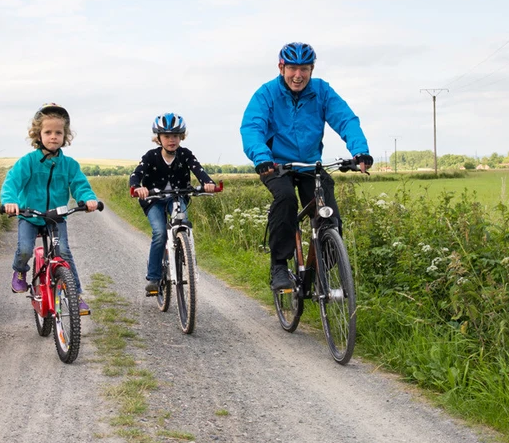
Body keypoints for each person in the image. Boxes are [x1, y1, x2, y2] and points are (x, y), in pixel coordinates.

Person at [240, 42, 373, 291]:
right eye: (292, 68)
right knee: (286, 199)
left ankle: (323, 263)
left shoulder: (321, 91)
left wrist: (359, 150)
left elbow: (345, 119)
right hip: (276, 165)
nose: (298, 75)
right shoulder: (266, 94)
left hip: (310, 164)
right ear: (281, 68)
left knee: (328, 212)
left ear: (311, 69)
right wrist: (261, 157)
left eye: (304, 69)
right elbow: (252, 128)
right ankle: (279, 264)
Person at [0, 103, 100, 312]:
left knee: (63, 252)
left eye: (58, 132)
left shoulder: (70, 165)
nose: (53, 136)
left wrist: (88, 199)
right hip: (30, 215)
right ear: (38, 134)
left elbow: (80, 185)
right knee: (26, 248)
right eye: (48, 132)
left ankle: (76, 295)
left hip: (56, 217)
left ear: (65, 136)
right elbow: (12, 182)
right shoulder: (28, 162)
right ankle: (19, 271)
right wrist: (10, 202)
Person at [128, 113, 217, 296]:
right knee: (160, 232)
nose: (171, 140)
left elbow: (198, 170)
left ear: (181, 137)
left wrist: (208, 183)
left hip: (177, 197)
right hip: (154, 200)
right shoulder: (151, 156)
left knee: (182, 223)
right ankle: (153, 277)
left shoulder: (185, 155)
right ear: (158, 138)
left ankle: (186, 257)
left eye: (175, 136)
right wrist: (137, 187)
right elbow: (136, 174)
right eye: (167, 136)